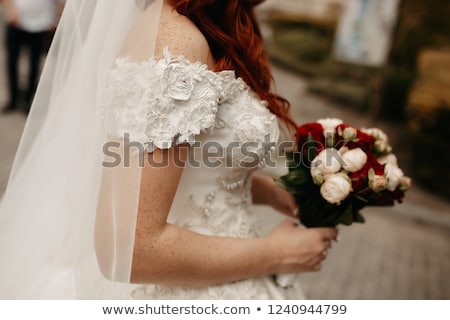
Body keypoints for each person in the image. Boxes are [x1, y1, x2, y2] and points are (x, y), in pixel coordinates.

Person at [0, 0, 337, 299]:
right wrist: (276, 254)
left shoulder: (219, 25)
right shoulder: (176, 40)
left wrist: (266, 190)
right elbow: (133, 248)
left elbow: (194, 159)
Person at [1, 0, 64, 114]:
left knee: (34, 64)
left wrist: (57, 18)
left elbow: (62, 3)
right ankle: (13, 98)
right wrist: (11, 11)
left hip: (41, 23)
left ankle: (29, 101)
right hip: (15, 20)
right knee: (12, 61)